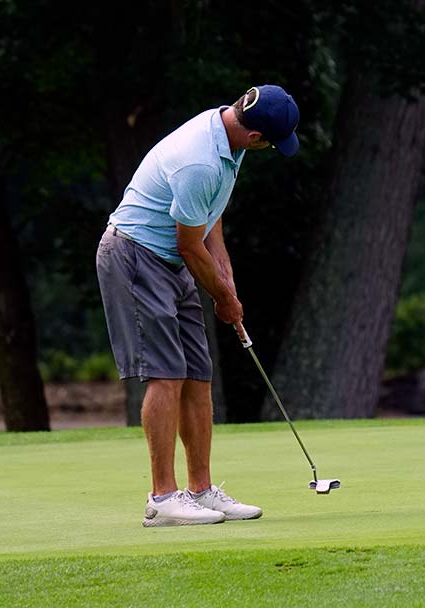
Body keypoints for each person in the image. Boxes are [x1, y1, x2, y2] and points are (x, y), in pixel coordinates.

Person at [96, 85, 300, 527]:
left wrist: (225, 276)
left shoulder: (227, 135)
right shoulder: (199, 160)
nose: (268, 149)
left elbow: (211, 215)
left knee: (197, 374)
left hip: (173, 256)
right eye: (270, 143)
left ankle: (201, 491)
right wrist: (224, 299)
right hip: (135, 255)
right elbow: (189, 244)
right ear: (255, 135)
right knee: (166, 374)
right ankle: (162, 498)